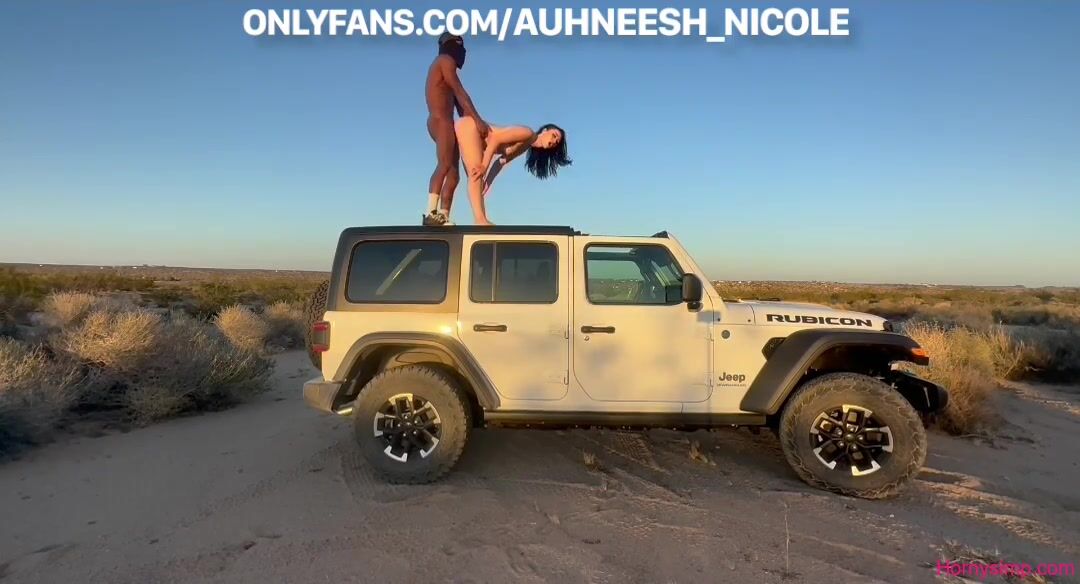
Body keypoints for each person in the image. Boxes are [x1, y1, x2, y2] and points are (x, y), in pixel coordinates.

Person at [450, 117, 571, 225]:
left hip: (475, 134)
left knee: (477, 179)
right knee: (476, 173)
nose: (554, 141)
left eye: (557, 142)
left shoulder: (526, 145)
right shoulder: (527, 133)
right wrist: (484, 166)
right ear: (544, 130)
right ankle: (480, 220)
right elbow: (495, 139)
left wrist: (488, 182)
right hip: (471, 127)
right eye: (554, 135)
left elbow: (501, 161)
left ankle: (481, 220)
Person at [423, 33, 490, 226]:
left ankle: (443, 216)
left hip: (447, 122)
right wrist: (478, 120)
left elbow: (461, 108)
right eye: (461, 48)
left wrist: (475, 129)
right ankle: (430, 213)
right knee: (444, 164)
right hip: (440, 121)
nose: (463, 54)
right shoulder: (445, 61)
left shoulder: (446, 68)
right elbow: (461, 93)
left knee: (454, 175)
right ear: (454, 46)